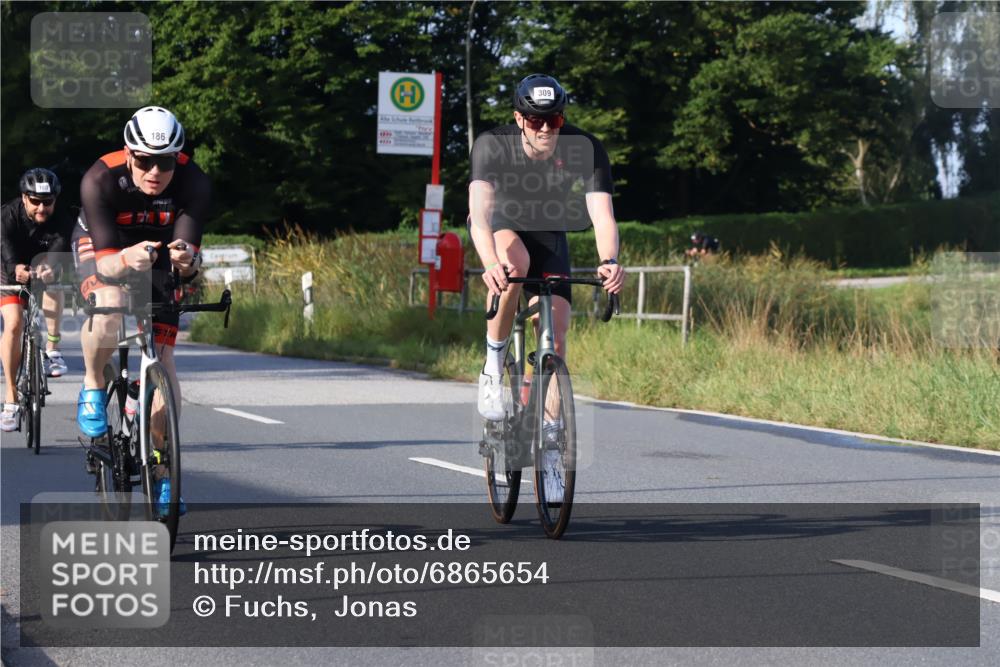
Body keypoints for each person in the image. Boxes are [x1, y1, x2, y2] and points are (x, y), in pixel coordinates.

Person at [468, 73, 625, 443]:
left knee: (556, 327)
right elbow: (479, 216)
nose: (544, 129)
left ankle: (551, 434)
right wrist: (491, 263)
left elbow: (602, 215)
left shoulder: (585, 148)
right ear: (520, 119)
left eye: (552, 120)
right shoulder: (493, 145)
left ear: (562, 119)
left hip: (550, 230)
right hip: (502, 225)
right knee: (515, 264)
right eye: (536, 120)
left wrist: (610, 260)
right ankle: (493, 364)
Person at [73, 106, 208, 514]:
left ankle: (164, 472)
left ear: (177, 158)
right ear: (129, 154)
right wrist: (125, 259)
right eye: (145, 161)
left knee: (164, 361)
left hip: (159, 250)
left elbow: (188, 261)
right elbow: (108, 263)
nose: (154, 171)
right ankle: (94, 385)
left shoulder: (194, 182)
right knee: (110, 305)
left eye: (164, 161)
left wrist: (189, 262)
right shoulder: (99, 178)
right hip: (106, 245)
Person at [1, 168, 72, 431]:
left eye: (48, 202)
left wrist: (50, 266)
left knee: (53, 282)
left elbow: (62, 243)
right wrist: (14, 269)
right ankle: (10, 398)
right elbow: (4, 243)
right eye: (35, 201)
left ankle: (53, 350)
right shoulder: (7, 215)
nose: (42, 207)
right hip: (8, 265)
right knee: (14, 324)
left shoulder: (62, 218)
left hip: (42, 260)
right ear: (23, 198)